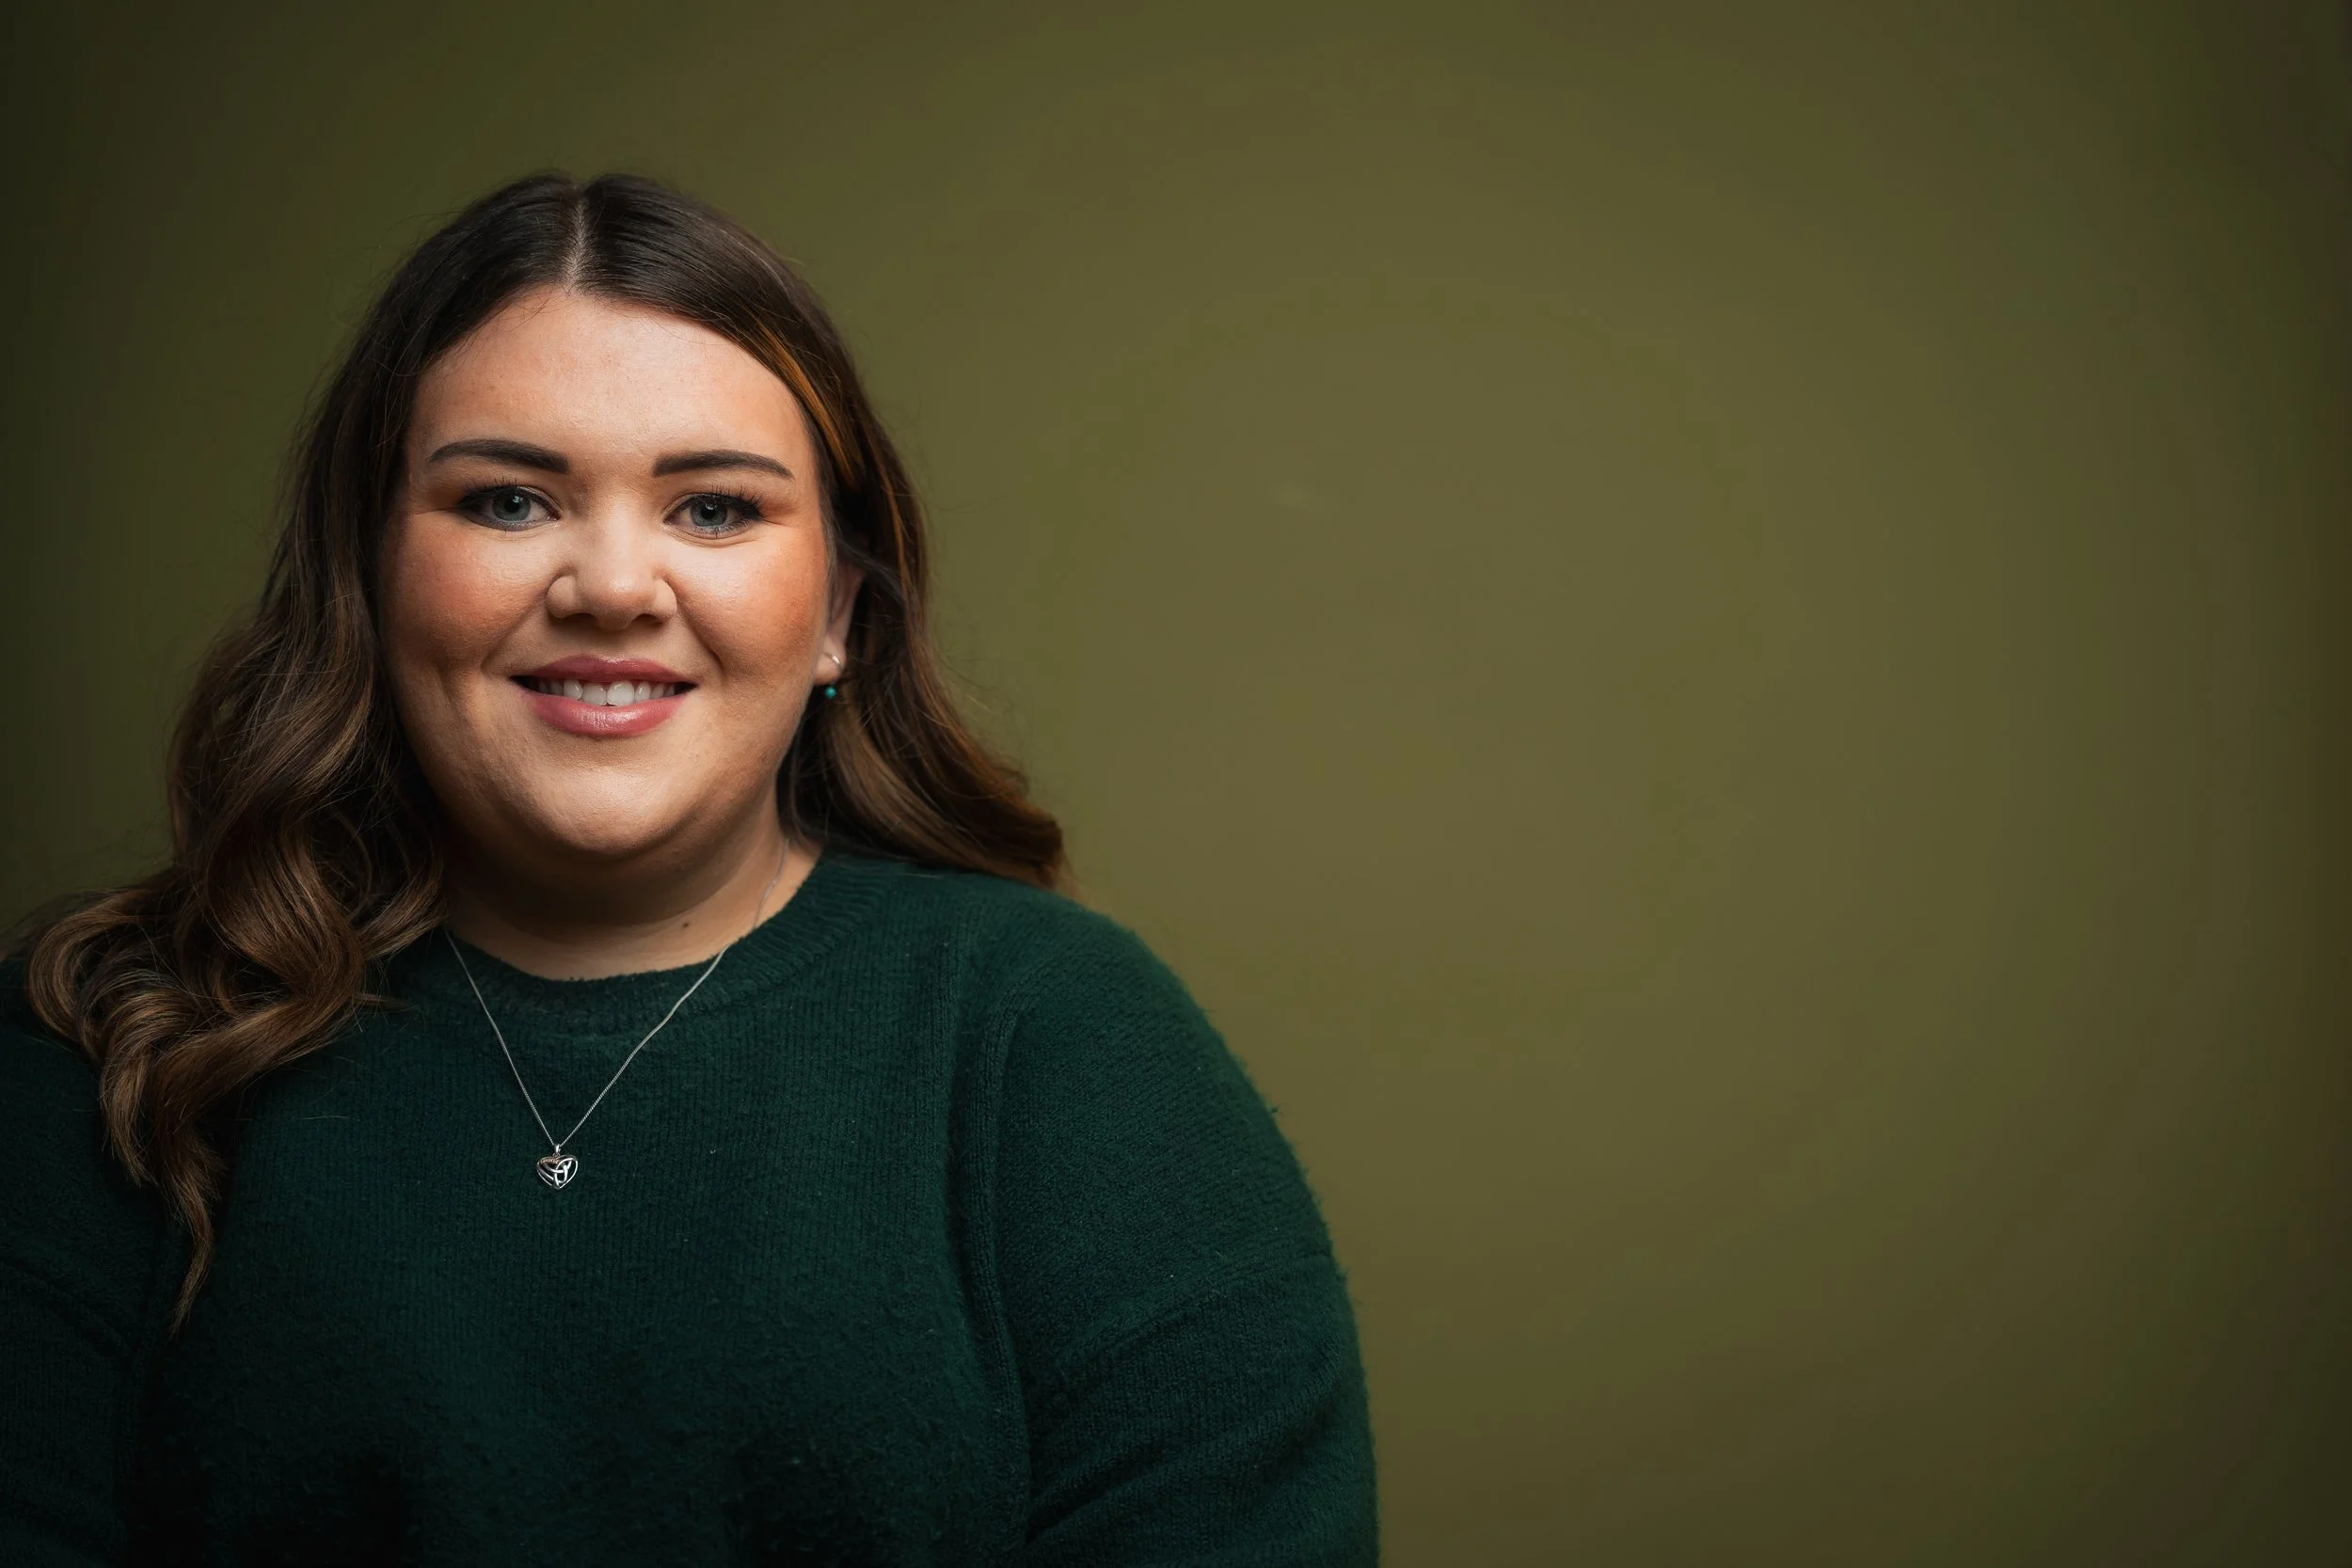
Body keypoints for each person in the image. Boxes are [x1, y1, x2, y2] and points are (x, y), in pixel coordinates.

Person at [0, 172, 1376, 1565]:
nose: (611, 583)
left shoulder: (1061, 1046)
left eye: (714, 510)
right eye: (509, 499)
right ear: (370, 572)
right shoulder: (106, 1045)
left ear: (838, 613)